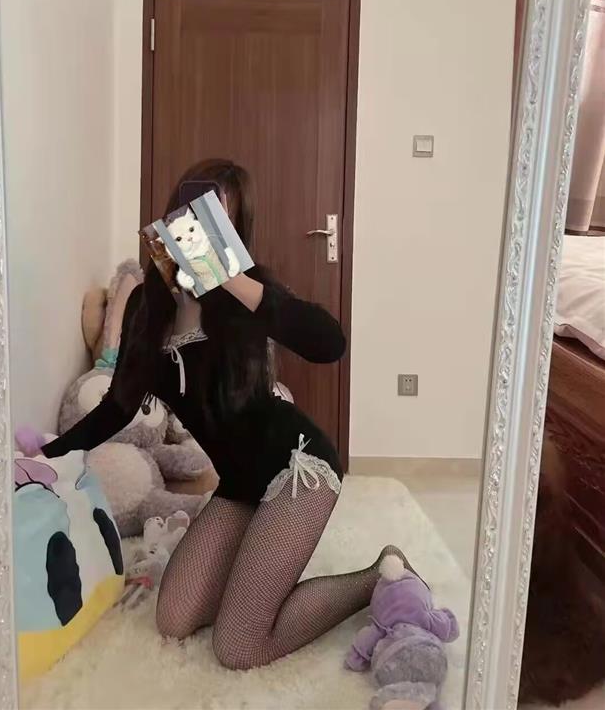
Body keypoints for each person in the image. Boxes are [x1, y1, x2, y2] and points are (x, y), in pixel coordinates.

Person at [25, 159, 413, 670]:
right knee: (174, 618)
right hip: (238, 484)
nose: (199, 228)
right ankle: (259, 573)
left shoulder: (248, 293)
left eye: (218, 219)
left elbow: (330, 343)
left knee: (238, 645)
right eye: (194, 209)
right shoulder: (147, 304)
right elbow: (118, 406)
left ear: (233, 232)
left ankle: (380, 576)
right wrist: (46, 456)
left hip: (297, 468)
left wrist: (232, 280)